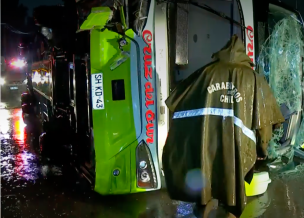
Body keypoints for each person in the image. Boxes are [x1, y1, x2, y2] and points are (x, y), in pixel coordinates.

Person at [162, 35, 284, 218]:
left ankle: (203, 207)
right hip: (237, 146)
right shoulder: (254, 79)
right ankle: (230, 212)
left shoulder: (205, 72)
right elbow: (266, 121)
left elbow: (177, 101)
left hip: (206, 142)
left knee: (207, 175)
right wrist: (262, 148)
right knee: (231, 180)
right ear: (244, 56)